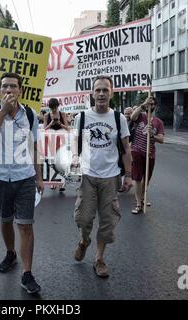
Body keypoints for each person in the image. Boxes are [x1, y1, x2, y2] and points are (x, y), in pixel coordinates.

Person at [0, 72, 44, 294]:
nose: (9, 90)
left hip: (25, 177)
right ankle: (10, 252)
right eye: (5, 87)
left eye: (13, 87)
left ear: (20, 91)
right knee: (5, 220)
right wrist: (3, 112)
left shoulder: (30, 114)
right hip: (0, 177)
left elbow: (35, 146)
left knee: (26, 225)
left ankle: (27, 274)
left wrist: (39, 176)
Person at [71, 75, 132, 278]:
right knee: (84, 218)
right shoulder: (82, 117)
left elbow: (125, 149)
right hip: (88, 175)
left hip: (111, 177)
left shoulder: (119, 118)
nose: (101, 93)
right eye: (98, 90)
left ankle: (99, 259)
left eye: (105, 90)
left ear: (111, 93)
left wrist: (129, 175)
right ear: (92, 93)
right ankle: (83, 241)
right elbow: (74, 141)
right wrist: (74, 157)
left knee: (107, 222)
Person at [130, 96, 164, 214]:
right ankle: (138, 203)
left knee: (146, 179)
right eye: (149, 104)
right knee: (137, 178)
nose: (150, 106)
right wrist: (144, 104)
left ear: (155, 106)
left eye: (152, 104)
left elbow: (161, 139)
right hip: (136, 151)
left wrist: (152, 135)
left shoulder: (158, 122)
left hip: (150, 154)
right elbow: (132, 116)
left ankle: (143, 198)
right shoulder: (140, 116)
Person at [44, 98, 69, 192]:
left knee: (62, 161)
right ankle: (53, 182)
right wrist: (51, 123)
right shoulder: (47, 115)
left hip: (61, 139)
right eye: (51, 108)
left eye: (54, 108)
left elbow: (68, 129)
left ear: (57, 106)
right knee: (52, 162)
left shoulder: (62, 114)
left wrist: (60, 123)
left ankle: (63, 183)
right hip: (51, 140)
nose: (53, 110)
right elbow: (44, 130)